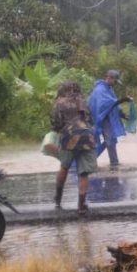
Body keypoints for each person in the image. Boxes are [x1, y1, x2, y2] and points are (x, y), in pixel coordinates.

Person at [50, 81, 98, 214]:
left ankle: (58, 200)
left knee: (64, 167)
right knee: (83, 173)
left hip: (68, 138)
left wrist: (61, 130)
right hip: (86, 137)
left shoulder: (59, 103)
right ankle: (81, 206)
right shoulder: (83, 101)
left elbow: (55, 123)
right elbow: (90, 119)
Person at [88, 69, 133, 169]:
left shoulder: (108, 88)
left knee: (111, 140)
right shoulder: (100, 90)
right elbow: (106, 104)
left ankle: (113, 162)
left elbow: (113, 104)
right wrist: (122, 100)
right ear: (109, 78)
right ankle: (113, 163)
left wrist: (122, 114)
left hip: (106, 118)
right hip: (100, 118)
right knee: (108, 140)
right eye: (115, 81)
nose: (116, 83)